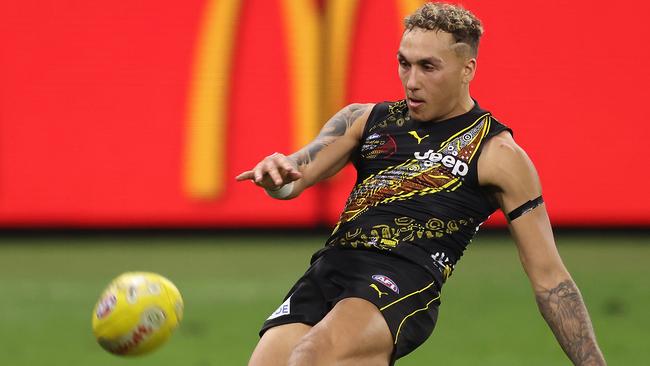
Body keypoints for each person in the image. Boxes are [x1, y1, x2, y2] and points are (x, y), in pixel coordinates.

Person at [236, 3, 606, 365]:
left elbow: (550, 279)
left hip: (401, 281)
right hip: (329, 269)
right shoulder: (364, 119)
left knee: (311, 357)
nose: (412, 81)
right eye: (404, 63)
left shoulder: (498, 154)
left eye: (428, 67)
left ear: (467, 69)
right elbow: (295, 178)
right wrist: (278, 174)